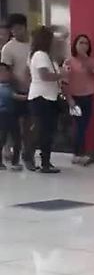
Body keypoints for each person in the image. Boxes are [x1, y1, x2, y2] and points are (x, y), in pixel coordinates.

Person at [26, 26, 63, 174]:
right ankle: (38, 159)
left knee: (48, 130)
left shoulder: (47, 56)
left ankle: (44, 161)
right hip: (42, 97)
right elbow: (44, 76)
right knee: (43, 131)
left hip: (49, 96)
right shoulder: (40, 55)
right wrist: (62, 75)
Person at [1, 14, 33, 170]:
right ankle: (9, 149)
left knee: (28, 124)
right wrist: (18, 81)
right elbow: (6, 70)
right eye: (12, 29)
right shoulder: (8, 48)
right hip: (15, 90)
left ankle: (27, 153)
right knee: (12, 125)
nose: (15, 31)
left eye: (18, 28)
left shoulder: (33, 45)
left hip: (33, 90)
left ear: (25, 27)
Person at [65, 34, 94, 166]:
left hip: (88, 96)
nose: (84, 46)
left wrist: (85, 61)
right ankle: (78, 153)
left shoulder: (92, 60)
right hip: (75, 97)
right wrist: (69, 99)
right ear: (75, 45)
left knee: (84, 125)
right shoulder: (69, 62)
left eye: (86, 43)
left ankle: (79, 153)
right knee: (78, 125)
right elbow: (64, 82)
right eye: (81, 43)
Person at [0, 63, 26, 170]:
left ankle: (15, 161)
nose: (4, 74)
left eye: (6, 71)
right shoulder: (4, 88)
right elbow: (13, 96)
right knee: (2, 139)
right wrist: (29, 96)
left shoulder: (12, 86)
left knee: (17, 139)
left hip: (12, 115)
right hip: (2, 115)